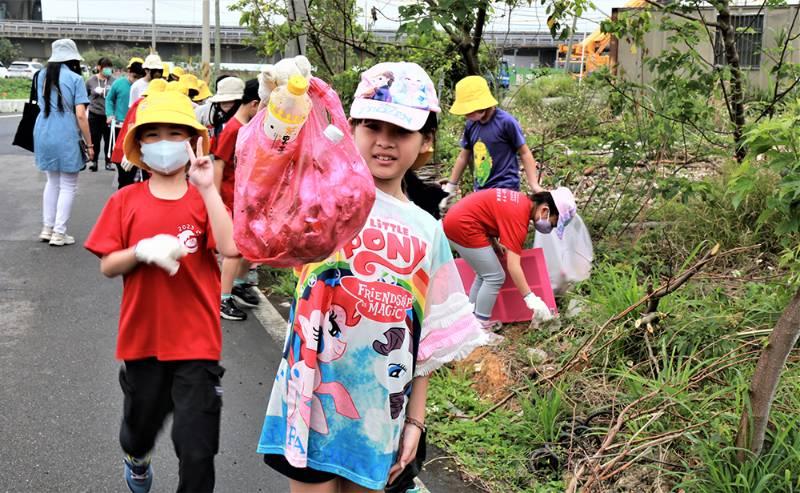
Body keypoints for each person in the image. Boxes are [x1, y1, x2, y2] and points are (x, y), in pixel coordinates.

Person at [257, 61, 491, 493]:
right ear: (352, 129)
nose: (384, 142)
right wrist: (280, 109)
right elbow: (265, 174)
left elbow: (427, 344)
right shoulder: (320, 197)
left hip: (381, 414)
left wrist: (415, 422)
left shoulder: (428, 231)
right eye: (371, 126)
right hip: (308, 397)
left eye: (400, 131)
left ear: (425, 141)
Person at [84, 90, 238, 493]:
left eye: (176, 133)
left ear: (193, 143)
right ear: (138, 145)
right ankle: (137, 459)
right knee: (139, 430)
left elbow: (230, 248)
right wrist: (139, 251)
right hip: (143, 340)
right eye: (153, 134)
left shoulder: (204, 199)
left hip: (198, 342)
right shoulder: (125, 201)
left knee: (197, 449)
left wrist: (207, 189)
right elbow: (107, 265)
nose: (165, 142)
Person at [442, 187, 577, 328]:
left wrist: (493, 243)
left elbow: (487, 214)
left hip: (456, 219)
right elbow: (513, 266)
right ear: (545, 210)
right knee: (495, 276)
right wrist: (531, 299)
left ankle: (471, 320)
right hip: (463, 225)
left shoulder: (520, 202)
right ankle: (480, 327)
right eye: (553, 223)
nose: (550, 228)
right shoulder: (519, 217)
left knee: (484, 275)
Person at [441, 76, 543, 208]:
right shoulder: (471, 125)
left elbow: (524, 153)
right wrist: (451, 187)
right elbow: (463, 156)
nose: (466, 115)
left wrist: (534, 185)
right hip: (481, 191)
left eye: (469, 110)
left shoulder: (506, 122)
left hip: (505, 191)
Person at [34, 38, 93, 247]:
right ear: (72, 58)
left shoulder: (39, 75)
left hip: (43, 129)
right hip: (66, 132)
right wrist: (90, 143)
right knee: (68, 185)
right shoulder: (75, 78)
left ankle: (46, 228)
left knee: (52, 182)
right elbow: (81, 115)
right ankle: (59, 233)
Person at [212, 78, 261, 321]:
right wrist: (215, 200)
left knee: (249, 247)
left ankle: (239, 284)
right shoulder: (233, 128)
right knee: (233, 251)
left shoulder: (247, 126)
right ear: (254, 103)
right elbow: (219, 165)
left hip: (244, 200)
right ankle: (223, 298)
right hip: (230, 199)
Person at [106, 57, 145, 188]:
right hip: (119, 125)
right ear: (129, 72)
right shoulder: (119, 84)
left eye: (140, 77)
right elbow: (109, 99)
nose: (136, 80)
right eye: (134, 76)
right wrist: (110, 114)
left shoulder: (143, 88)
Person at [85, 57, 115, 171]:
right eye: (105, 68)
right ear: (98, 67)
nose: (108, 70)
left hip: (108, 115)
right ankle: (94, 162)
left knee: (109, 140)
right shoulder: (90, 81)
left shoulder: (114, 81)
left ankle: (109, 162)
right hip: (94, 114)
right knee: (95, 139)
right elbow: (84, 96)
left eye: (109, 68)